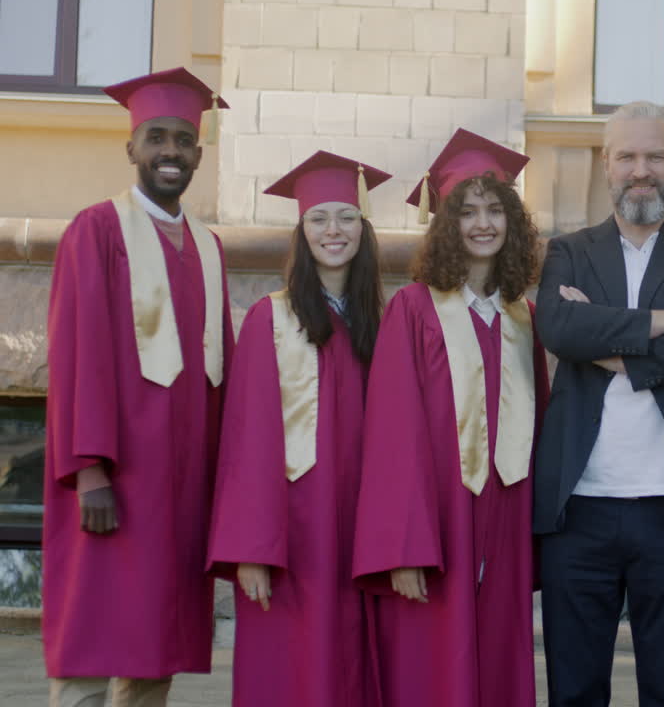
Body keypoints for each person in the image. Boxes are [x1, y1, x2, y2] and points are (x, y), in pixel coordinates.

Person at [533, 100, 664, 707]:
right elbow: (559, 330)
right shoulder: (569, 251)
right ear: (607, 164)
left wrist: (610, 343)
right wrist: (660, 321)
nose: (641, 169)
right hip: (580, 509)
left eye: (655, 155)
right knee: (574, 691)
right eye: (627, 155)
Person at [42, 66, 232, 707]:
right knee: (92, 631)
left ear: (198, 154)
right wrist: (88, 469)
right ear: (132, 147)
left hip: (181, 486)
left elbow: (221, 370)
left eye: (182, 140)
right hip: (114, 478)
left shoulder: (208, 247)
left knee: (156, 642)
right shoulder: (96, 231)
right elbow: (77, 357)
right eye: (157, 137)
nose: (170, 152)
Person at [352, 129, 548, 707]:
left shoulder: (523, 319)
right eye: (467, 212)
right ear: (446, 224)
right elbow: (392, 437)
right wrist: (405, 548)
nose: (483, 223)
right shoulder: (414, 310)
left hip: (506, 524)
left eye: (494, 210)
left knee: (499, 659)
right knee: (434, 666)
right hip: (436, 530)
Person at [207, 151, 390, 707]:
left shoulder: (381, 323)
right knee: (293, 668)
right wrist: (252, 548)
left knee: (358, 664)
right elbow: (247, 440)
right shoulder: (273, 318)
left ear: (364, 229)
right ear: (302, 230)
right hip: (295, 531)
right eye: (319, 219)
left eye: (346, 217)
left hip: (365, 526)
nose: (333, 230)